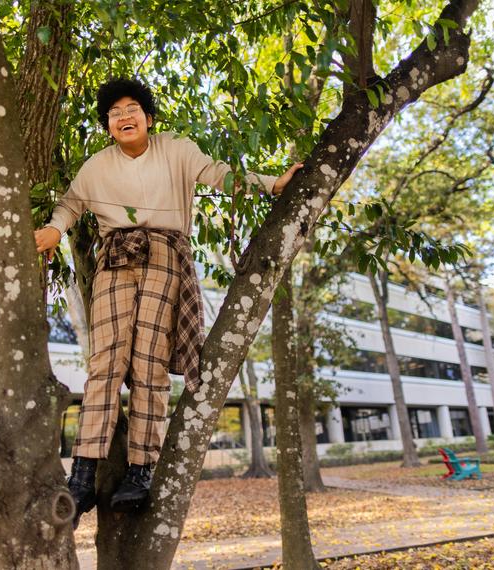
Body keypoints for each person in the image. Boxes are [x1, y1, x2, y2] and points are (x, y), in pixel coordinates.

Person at [34, 78, 302, 522]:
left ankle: (141, 470)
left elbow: (221, 174)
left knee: (149, 364)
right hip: (115, 258)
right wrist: (54, 229)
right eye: (115, 111)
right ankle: (82, 476)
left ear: (149, 117)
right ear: (107, 125)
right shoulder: (95, 166)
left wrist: (272, 183)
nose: (124, 115)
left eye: (132, 107)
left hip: (165, 255)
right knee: (105, 362)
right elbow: (69, 205)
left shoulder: (176, 147)